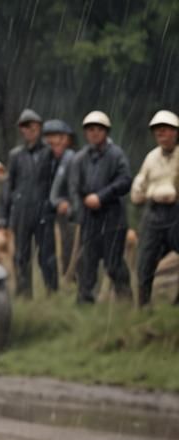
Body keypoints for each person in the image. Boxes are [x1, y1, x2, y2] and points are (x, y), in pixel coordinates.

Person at [69, 111, 133, 303]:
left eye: (99, 129)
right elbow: (74, 187)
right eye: (90, 130)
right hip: (90, 220)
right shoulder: (80, 158)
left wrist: (102, 197)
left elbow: (125, 181)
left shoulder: (116, 155)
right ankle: (84, 304)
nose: (94, 133)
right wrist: (80, 209)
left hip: (113, 218)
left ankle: (125, 302)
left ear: (106, 132)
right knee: (87, 264)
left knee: (113, 264)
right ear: (86, 133)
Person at [0, 109, 57, 297]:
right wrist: (5, 215)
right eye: (25, 126)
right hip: (22, 211)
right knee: (21, 256)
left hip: (43, 210)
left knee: (47, 255)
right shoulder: (16, 155)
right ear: (21, 130)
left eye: (33, 125)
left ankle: (52, 292)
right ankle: (24, 293)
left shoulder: (50, 153)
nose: (29, 129)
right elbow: (10, 185)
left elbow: (56, 181)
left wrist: (53, 205)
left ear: (39, 127)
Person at [131, 109, 179, 306]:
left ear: (175, 132)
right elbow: (140, 182)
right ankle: (143, 305)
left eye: (166, 130)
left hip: (177, 212)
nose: (161, 134)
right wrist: (138, 190)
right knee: (145, 259)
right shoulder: (151, 157)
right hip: (153, 213)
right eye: (158, 131)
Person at [44, 119, 78, 280]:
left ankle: (71, 277)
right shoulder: (48, 160)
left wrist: (67, 203)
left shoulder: (72, 158)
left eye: (56, 137)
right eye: (49, 138)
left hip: (70, 211)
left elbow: (75, 187)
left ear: (67, 139)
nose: (53, 142)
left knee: (69, 245)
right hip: (52, 210)